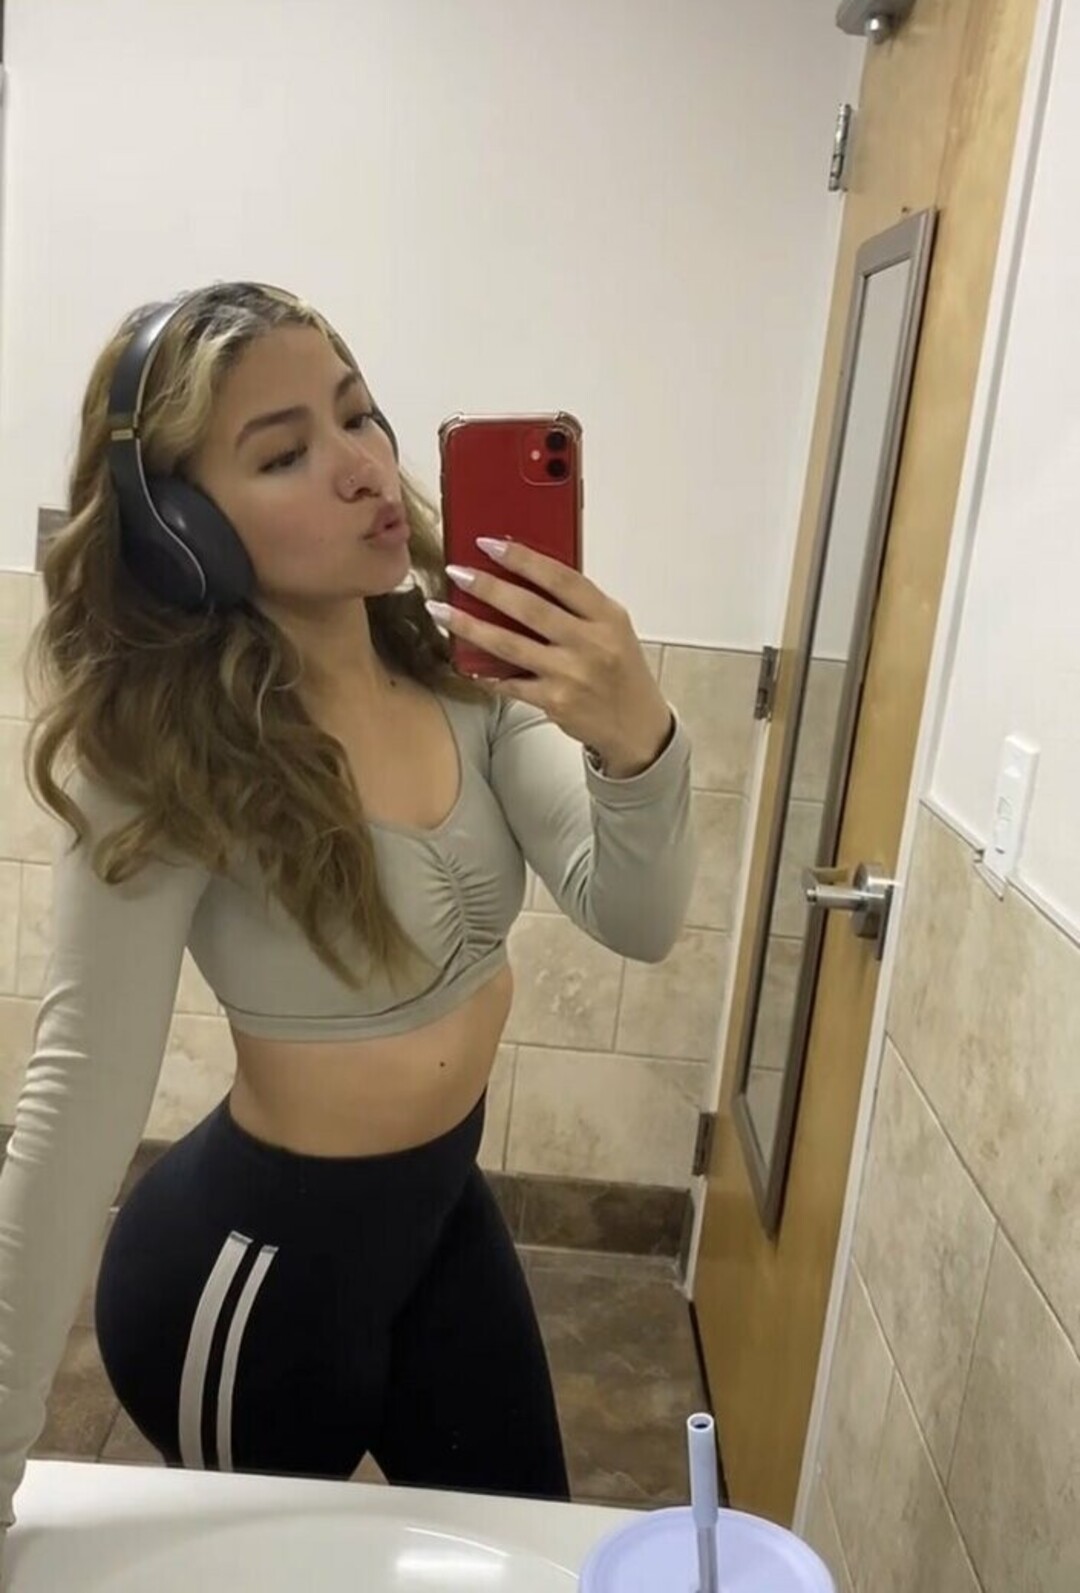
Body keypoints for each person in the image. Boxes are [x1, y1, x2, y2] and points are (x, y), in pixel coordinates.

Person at [0, 281, 696, 1570]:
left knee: (534, 1537)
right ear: (179, 529)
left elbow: (637, 916)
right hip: (252, 1285)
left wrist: (636, 741)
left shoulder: (467, 677)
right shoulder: (161, 761)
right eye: (284, 453)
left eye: (359, 414)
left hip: (439, 1216)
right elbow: (72, 1108)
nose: (364, 465)